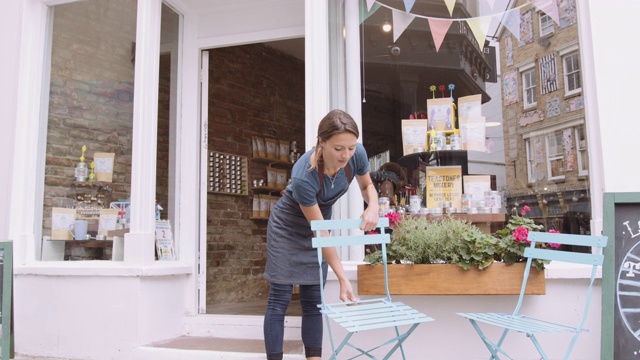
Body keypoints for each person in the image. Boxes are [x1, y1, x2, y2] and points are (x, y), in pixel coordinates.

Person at [263, 109, 380, 360]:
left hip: (319, 222)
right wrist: (343, 279)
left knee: (314, 299)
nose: (346, 155)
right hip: (288, 227)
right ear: (321, 142)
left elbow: (367, 185)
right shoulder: (304, 174)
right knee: (280, 297)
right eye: (338, 149)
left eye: (350, 148)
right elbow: (322, 234)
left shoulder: (356, 155)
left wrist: (373, 206)